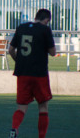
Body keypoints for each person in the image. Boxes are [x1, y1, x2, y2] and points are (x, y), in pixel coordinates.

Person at [8, 9, 56, 138]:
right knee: (43, 107)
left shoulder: (21, 27)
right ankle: (41, 136)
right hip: (39, 74)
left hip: (23, 73)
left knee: (21, 107)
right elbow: (53, 52)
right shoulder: (45, 30)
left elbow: (11, 50)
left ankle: (14, 128)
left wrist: (19, 61)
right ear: (47, 20)